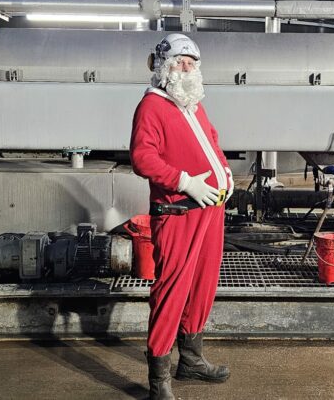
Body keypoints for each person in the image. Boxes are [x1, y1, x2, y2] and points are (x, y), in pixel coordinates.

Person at [130, 33, 233, 399]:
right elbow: (143, 158)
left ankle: (190, 360)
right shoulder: (152, 106)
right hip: (177, 213)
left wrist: (226, 174)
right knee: (171, 290)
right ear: (163, 67)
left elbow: (213, 142)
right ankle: (159, 379)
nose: (186, 68)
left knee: (203, 286)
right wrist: (185, 182)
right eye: (179, 62)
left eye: (192, 62)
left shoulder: (193, 104)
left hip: (210, 210)